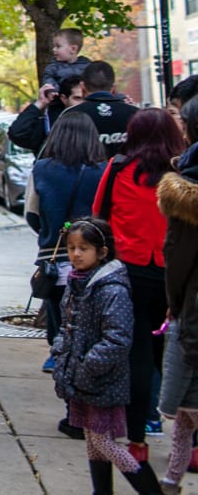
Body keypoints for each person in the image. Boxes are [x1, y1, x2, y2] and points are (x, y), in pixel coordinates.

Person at [94, 108, 188, 467]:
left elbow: (99, 216)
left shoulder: (118, 169)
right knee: (181, 359)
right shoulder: (181, 175)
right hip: (173, 276)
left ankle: (136, 442)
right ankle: (189, 445)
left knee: (138, 357)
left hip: (129, 273)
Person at [51, 217, 163, 493]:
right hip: (82, 378)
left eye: (84, 248)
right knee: (93, 439)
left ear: (102, 252)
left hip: (102, 380)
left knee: (102, 441)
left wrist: (86, 367)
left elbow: (117, 339)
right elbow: (67, 326)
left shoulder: (112, 289)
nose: (76, 254)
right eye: (72, 247)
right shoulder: (77, 283)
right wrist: (61, 351)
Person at [26, 111, 108, 409]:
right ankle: (88, 399)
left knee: (61, 327)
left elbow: (32, 214)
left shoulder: (42, 169)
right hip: (94, 263)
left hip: (54, 258)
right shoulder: (103, 170)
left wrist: (52, 234)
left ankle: (70, 399)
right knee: (91, 331)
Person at [157, 120, 198, 492]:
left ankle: (172, 479)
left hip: (194, 305)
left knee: (187, 409)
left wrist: (174, 304)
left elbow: (178, 256)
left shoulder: (186, 191)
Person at [76, 61, 142, 158]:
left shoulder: (72, 114)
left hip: (86, 172)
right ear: (114, 88)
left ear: (82, 87)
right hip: (126, 171)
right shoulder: (137, 114)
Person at [11, 74, 87, 157]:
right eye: (78, 98)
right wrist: (40, 103)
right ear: (64, 98)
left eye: (86, 99)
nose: (83, 104)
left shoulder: (98, 119)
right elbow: (17, 133)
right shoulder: (50, 124)